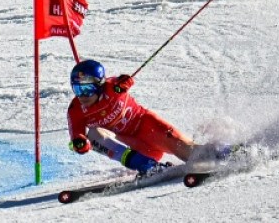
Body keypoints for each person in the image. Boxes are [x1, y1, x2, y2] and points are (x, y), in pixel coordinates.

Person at [66, 59, 200, 175]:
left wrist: (125, 82)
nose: (82, 95)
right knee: (94, 136)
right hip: (134, 148)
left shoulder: (112, 88)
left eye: (87, 89)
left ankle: (214, 152)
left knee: (188, 151)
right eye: (77, 89)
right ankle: (147, 166)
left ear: (99, 86)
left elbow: (121, 82)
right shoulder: (75, 110)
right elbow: (76, 137)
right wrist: (81, 144)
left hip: (148, 128)